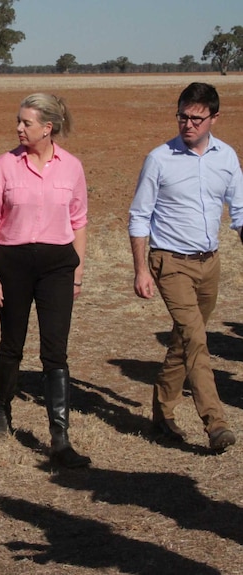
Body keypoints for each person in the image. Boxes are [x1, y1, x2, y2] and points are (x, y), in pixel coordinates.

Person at [129, 82, 242, 452]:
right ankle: (216, 423)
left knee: (183, 339)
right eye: (183, 116)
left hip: (209, 263)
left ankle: (162, 411)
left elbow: (239, 212)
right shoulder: (159, 158)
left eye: (196, 117)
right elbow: (139, 216)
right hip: (170, 261)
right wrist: (141, 269)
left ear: (214, 118)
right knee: (196, 339)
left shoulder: (227, 158)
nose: (188, 124)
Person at [0, 93, 90, 469]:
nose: (19, 128)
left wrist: (77, 272)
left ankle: (60, 438)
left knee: (55, 349)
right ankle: (3, 409)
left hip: (58, 264)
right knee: (12, 344)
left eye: (26, 122)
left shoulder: (72, 167)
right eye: (18, 121)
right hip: (13, 263)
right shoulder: (5, 165)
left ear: (49, 127)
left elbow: (79, 222)